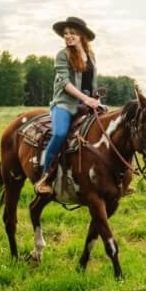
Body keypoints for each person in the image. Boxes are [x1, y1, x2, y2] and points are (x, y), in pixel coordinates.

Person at [34, 16, 101, 195]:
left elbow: (90, 82)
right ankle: (45, 176)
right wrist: (85, 99)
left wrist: (94, 99)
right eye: (65, 34)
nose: (68, 36)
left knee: (113, 127)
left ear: (81, 36)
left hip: (86, 103)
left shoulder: (91, 56)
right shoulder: (63, 55)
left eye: (72, 33)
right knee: (60, 133)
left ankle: (116, 177)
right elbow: (64, 83)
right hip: (65, 103)